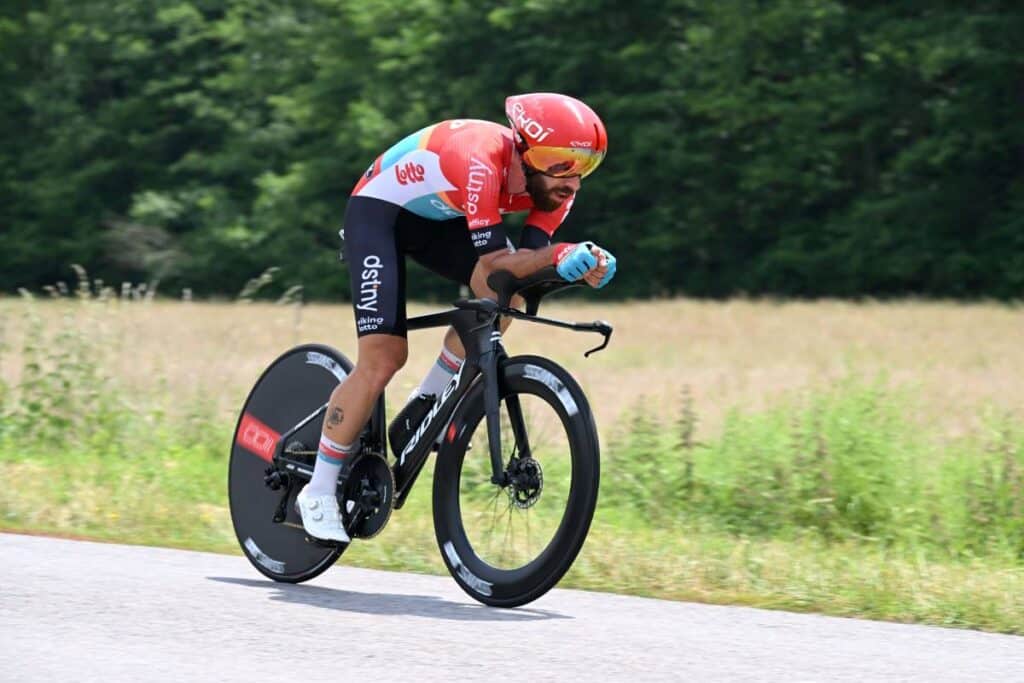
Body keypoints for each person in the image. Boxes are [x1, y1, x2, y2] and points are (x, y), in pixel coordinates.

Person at [295, 92, 617, 541]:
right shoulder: (482, 159)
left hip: (441, 218)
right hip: (380, 213)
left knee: (508, 299)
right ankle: (319, 489)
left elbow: (523, 265)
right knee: (385, 356)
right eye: (559, 163)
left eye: (584, 167)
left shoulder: (558, 190)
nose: (573, 181)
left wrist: (579, 268)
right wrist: (559, 255)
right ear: (524, 150)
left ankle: (423, 403)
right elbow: (496, 263)